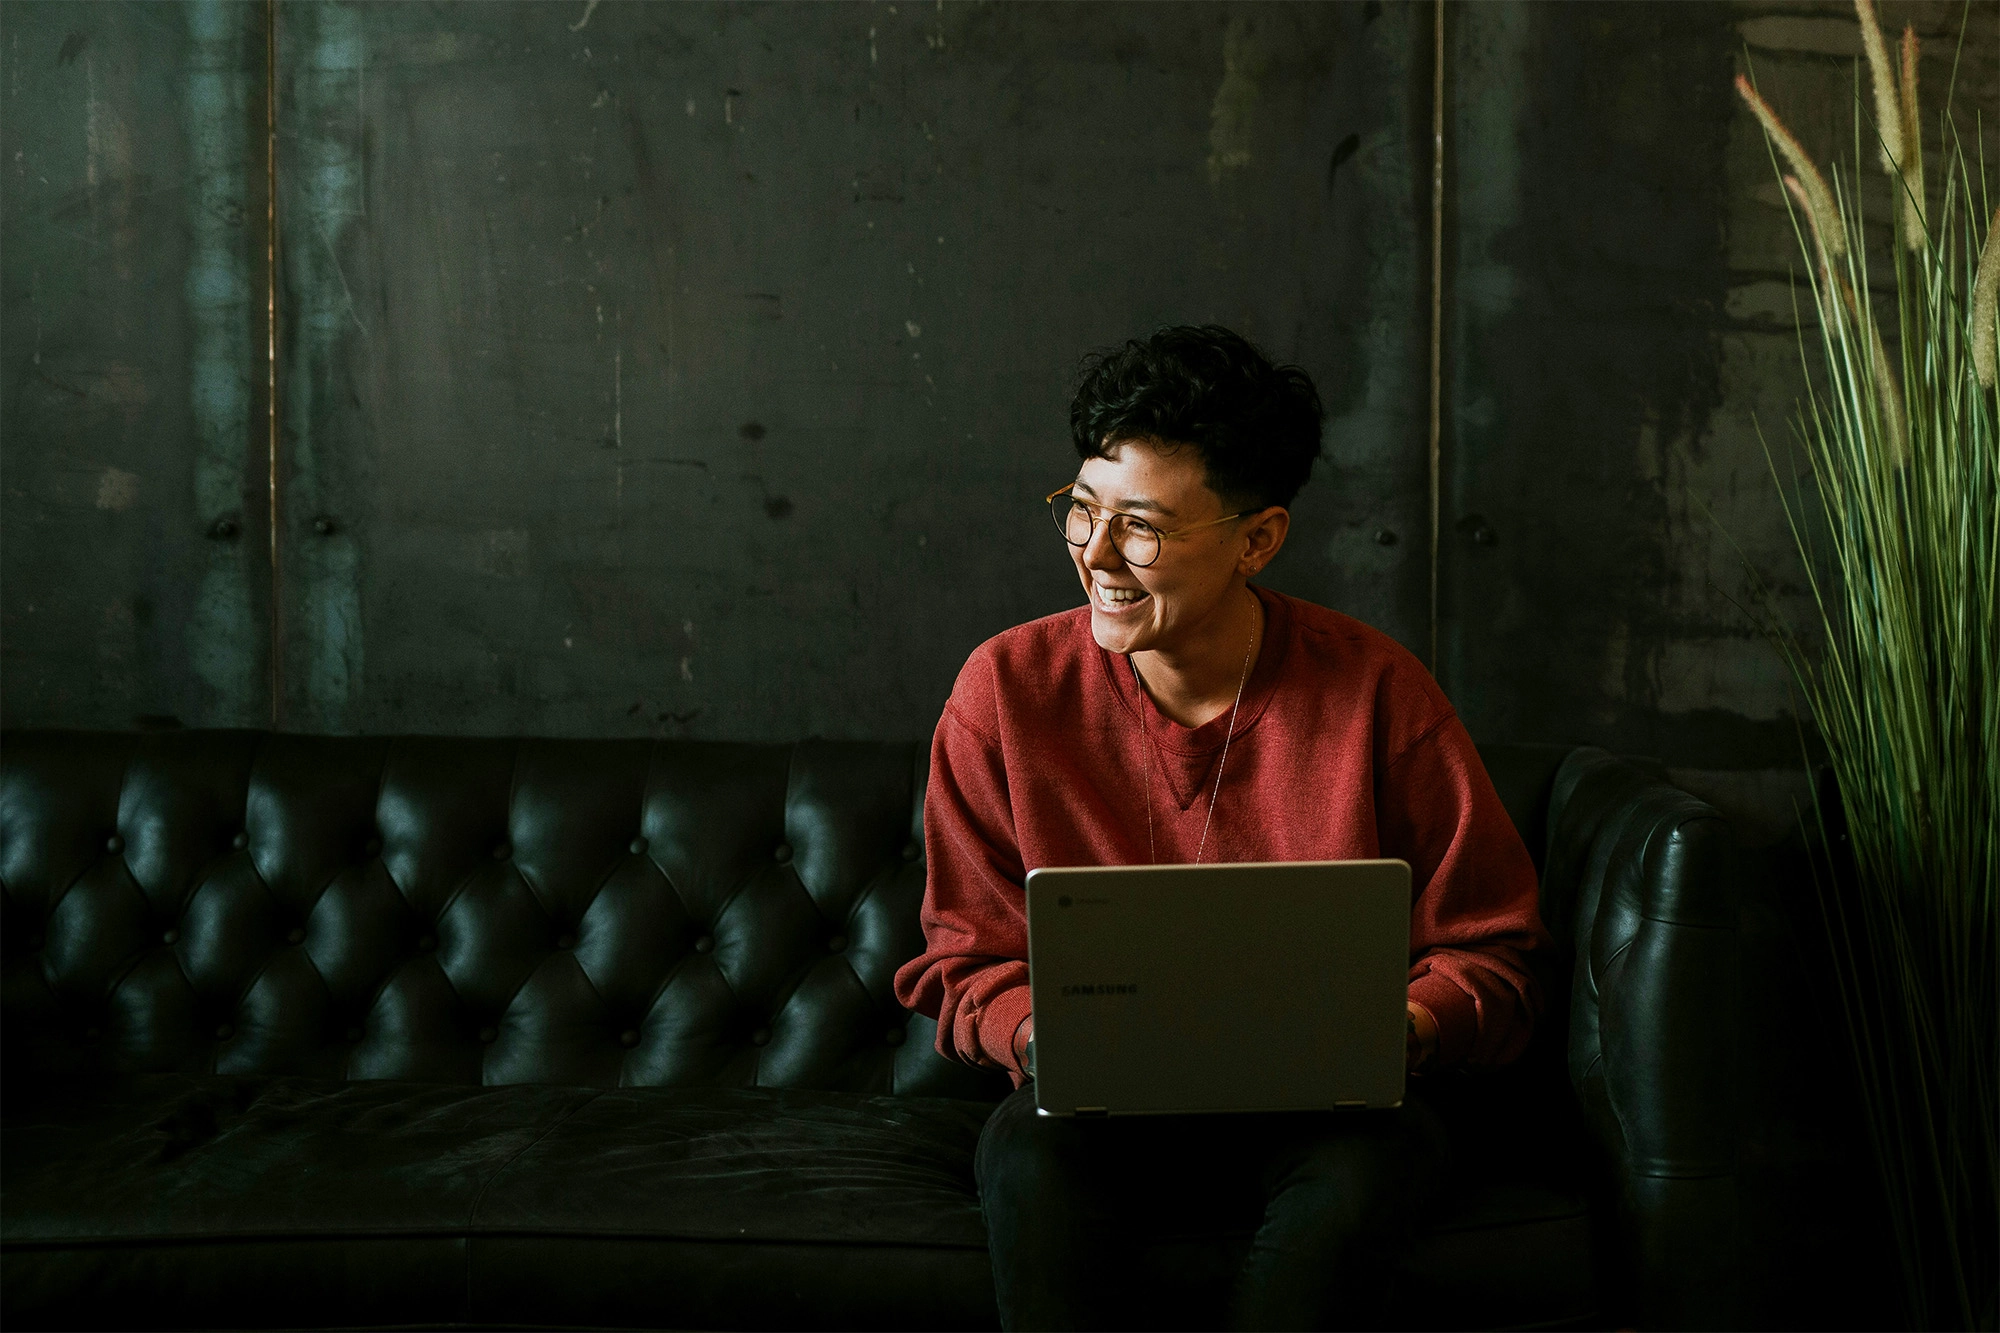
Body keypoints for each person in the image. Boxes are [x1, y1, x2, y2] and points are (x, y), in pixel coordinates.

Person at [893, 325, 1549, 1331]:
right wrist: (1044, 1034)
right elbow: (960, 959)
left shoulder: (1375, 690)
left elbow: (1489, 950)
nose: (1097, 554)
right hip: (1088, 1118)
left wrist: (1403, 1027)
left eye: (1141, 526)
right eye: (1081, 509)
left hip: (1326, 1117)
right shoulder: (1006, 690)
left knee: (1374, 1167)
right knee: (1027, 1157)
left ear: (1257, 539)